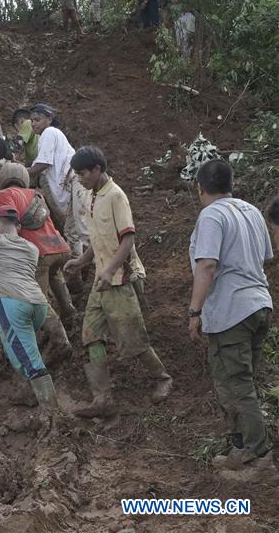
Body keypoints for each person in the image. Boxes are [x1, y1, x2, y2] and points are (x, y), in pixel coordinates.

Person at [65, 147, 173, 417]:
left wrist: (110, 269)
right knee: (90, 336)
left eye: (83, 173)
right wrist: (82, 261)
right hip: (101, 281)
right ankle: (102, 398)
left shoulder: (116, 196)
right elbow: (98, 239)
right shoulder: (90, 197)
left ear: (97, 169)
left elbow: (128, 239)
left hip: (121, 279)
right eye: (77, 174)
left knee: (132, 338)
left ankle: (162, 378)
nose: (80, 179)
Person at [187, 161, 275, 481]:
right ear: (231, 182)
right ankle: (241, 447)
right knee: (240, 382)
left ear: (200, 188)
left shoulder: (211, 215)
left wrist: (195, 311)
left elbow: (207, 264)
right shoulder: (251, 211)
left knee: (236, 385)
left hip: (232, 312)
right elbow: (266, 256)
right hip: (259, 305)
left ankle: (260, 458)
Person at [0, 194, 59, 410]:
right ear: (18, 226)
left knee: (30, 362)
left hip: (11, 304)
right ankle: (31, 394)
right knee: (28, 348)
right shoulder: (31, 249)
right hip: (38, 305)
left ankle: (54, 414)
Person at [0, 162, 77, 336]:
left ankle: (59, 339)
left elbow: (8, 217)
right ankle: (70, 313)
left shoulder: (4, 195)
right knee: (55, 275)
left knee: (37, 300)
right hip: (60, 248)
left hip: (39, 254)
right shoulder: (36, 194)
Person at [27, 103, 89, 260]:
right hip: (73, 183)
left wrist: (23, 173)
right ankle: (80, 264)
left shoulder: (49, 132)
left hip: (76, 181)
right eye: (32, 121)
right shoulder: (48, 137)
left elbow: (43, 163)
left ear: (49, 119)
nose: (34, 123)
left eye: (37, 119)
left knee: (78, 229)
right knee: (72, 229)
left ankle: (87, 262)